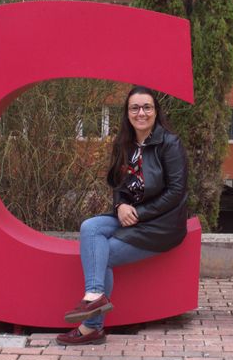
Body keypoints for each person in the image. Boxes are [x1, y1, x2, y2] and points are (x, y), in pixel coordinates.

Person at [57, 86, 189, 345]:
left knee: (101, 253)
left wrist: (138, 212)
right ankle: (95, 294)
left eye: (146, 107)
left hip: (160, 225)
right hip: (133, 216)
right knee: (90, 227)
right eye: (134, 108)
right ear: (127, 113)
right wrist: (120, 206)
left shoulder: (169, 144)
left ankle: (92, 326)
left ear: (155, 111)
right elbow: (118, 184)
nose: (141, 113)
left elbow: (177, 191)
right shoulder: (125, 144)